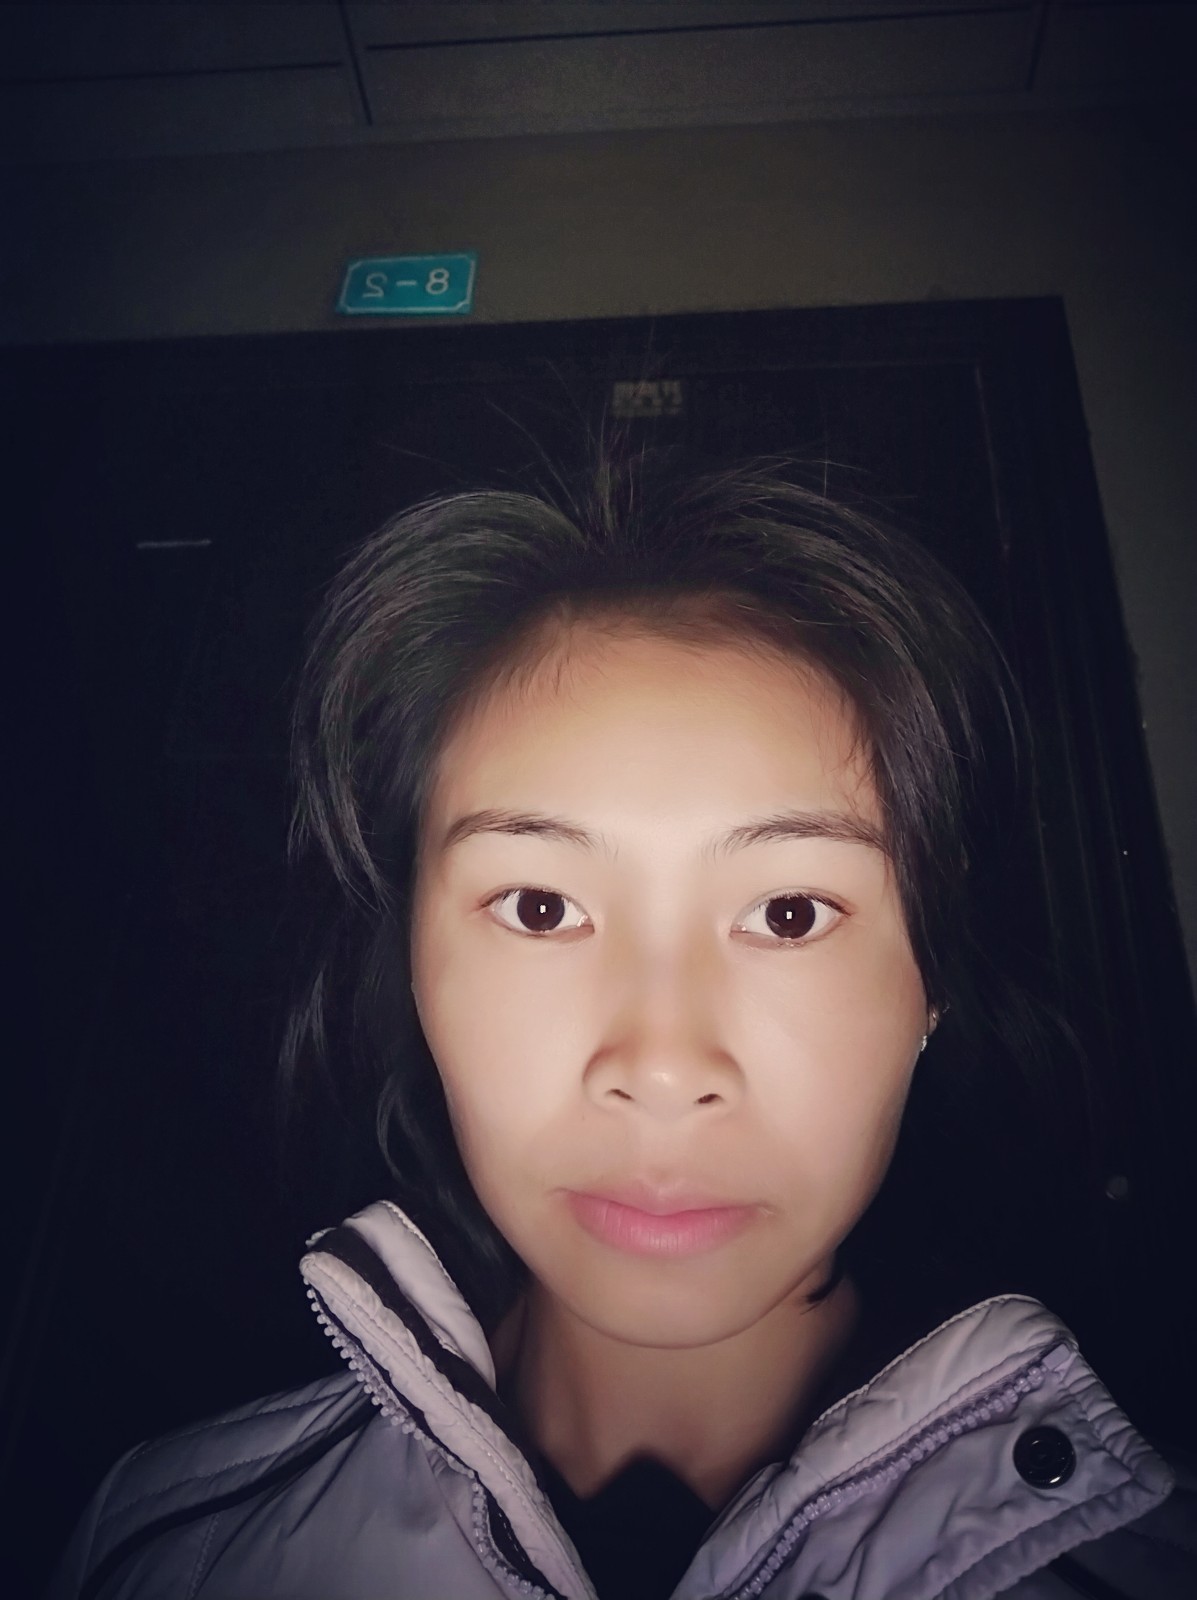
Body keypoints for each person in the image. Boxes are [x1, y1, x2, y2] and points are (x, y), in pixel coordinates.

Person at [51, 455, 1195, 1599]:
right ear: (413, 967)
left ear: (931, 983)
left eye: (789, 914)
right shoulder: (162, 1553)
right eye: (541, 908)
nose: (659, 1066)